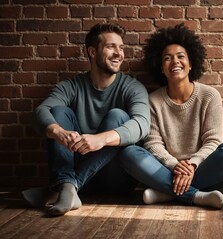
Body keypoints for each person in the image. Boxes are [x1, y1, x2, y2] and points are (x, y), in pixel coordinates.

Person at [22, 23, 150, 216]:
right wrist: (58, 131)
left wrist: (102, 139)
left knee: (118, 116)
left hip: (116, 179)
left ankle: (61, 189)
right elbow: (41, 112)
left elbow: (142, 124)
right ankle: (67, 188)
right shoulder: (71, 86)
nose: (119, 53)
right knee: (58, 112)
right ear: (92, 52)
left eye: (121, 48)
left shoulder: (132, 87)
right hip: (79, 170)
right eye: (111, 47)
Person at [120, 24, 223, 209]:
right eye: (167, 58)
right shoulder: (153, 101)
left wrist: (192, 165)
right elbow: (153, 144)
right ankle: (195, 196)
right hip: (165, 169)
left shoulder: (210, 96)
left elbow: (213, 141)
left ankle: (166, 193)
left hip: (203, 168)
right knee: (129, 153)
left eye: (181, 56)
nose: (175, 62)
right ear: (160, 68)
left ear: (191, 63)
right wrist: (174, 166)